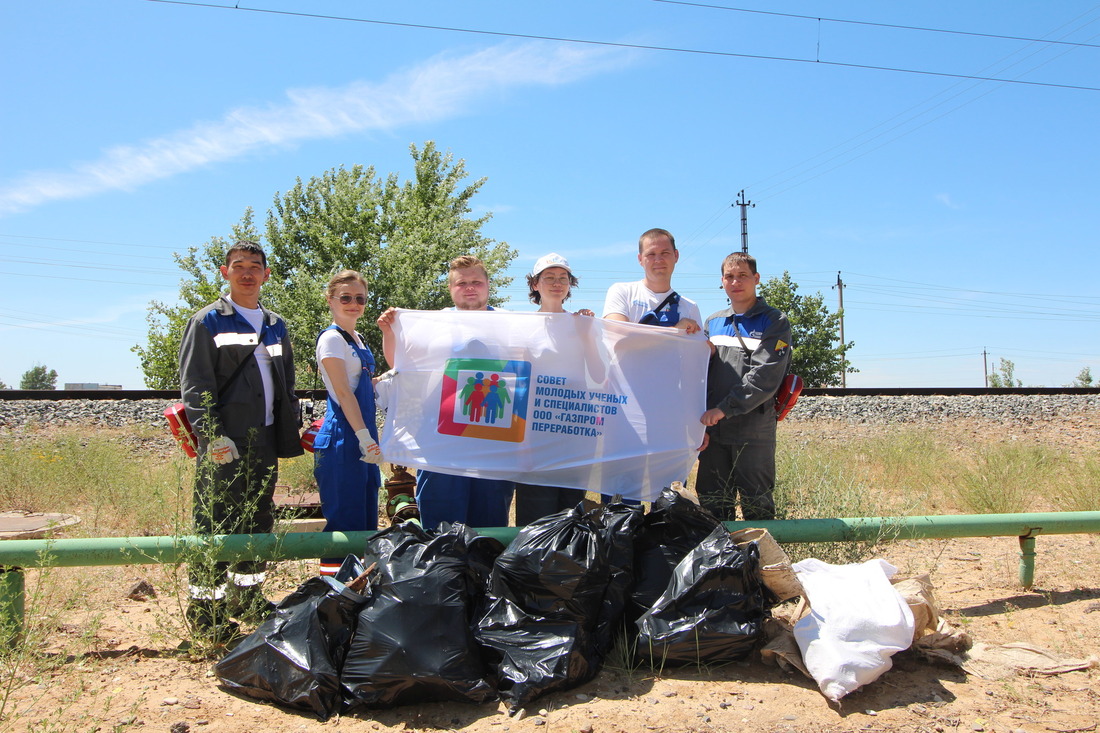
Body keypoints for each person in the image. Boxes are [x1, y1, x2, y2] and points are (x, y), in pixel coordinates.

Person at [178, 240, 302, 639]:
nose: (247, 273)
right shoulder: (207, 321)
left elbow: (287, 383)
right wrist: (213, 437)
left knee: (258, 519)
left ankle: (247, 597)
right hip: (226, 444)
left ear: (266, 274)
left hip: (264, 440)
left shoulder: (275, 323)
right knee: (216, 521)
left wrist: (290, 429)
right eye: (239, 266)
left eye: (255, 266)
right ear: (224, 272)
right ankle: (205, 610)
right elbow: (196, 386)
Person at [377, 255, 514, 530]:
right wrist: (389, 332)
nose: (470, 287)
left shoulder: (513, 325)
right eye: (462, 283)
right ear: (451, 288)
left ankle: (483, 575)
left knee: (489, 530)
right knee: (441, 531)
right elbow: (399, 366)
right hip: (440, 445)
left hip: (493, 446)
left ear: (488, 285)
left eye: (476, 281)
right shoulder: (431, 325)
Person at [697, 251, 792, 521]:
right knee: (713, 504)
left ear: (756, 279)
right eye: (729, 276)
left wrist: (724, 408)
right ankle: (722, 562)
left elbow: (766, 376)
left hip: (753, 430)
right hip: (714, 431)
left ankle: (762, 562)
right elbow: (700, 375)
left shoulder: (774, 321)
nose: (735, 282)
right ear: (722, 281)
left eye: (742, 276)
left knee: (757, 504)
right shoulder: (714, 322)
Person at [313, 270, 384, 577]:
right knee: (344, 522)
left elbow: (364, 384)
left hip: (361, 438)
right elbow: (343, 392)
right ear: (331, 301)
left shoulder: (359, 338)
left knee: (366, 521)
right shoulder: (331, 339)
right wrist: (363, 435)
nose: (353, 304)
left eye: (360, 298)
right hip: (345, 439)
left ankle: (359, 591)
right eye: (345, 298)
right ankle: (334, 598)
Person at [514, 253, 594, 524]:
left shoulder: (582, 323)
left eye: (563, 278)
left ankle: (568, 565)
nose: (557, 283)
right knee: (536, 510)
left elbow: (599, 373)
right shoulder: (522, 326)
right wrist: (521, 440)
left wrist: (588, 336)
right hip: (535, 432)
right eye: (549, 277)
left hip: (574, 430)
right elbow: (518, 385)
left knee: (571, 509)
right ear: (535, 284)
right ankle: (534, 566)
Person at [602, 228, 702, 334]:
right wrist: (676, 331)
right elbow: (618, 337)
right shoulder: (622, 292)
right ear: (640, 259)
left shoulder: (690, 308)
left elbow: (697, 348)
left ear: (676, 255)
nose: (658, 260)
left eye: (665, 253)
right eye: (651, 254)